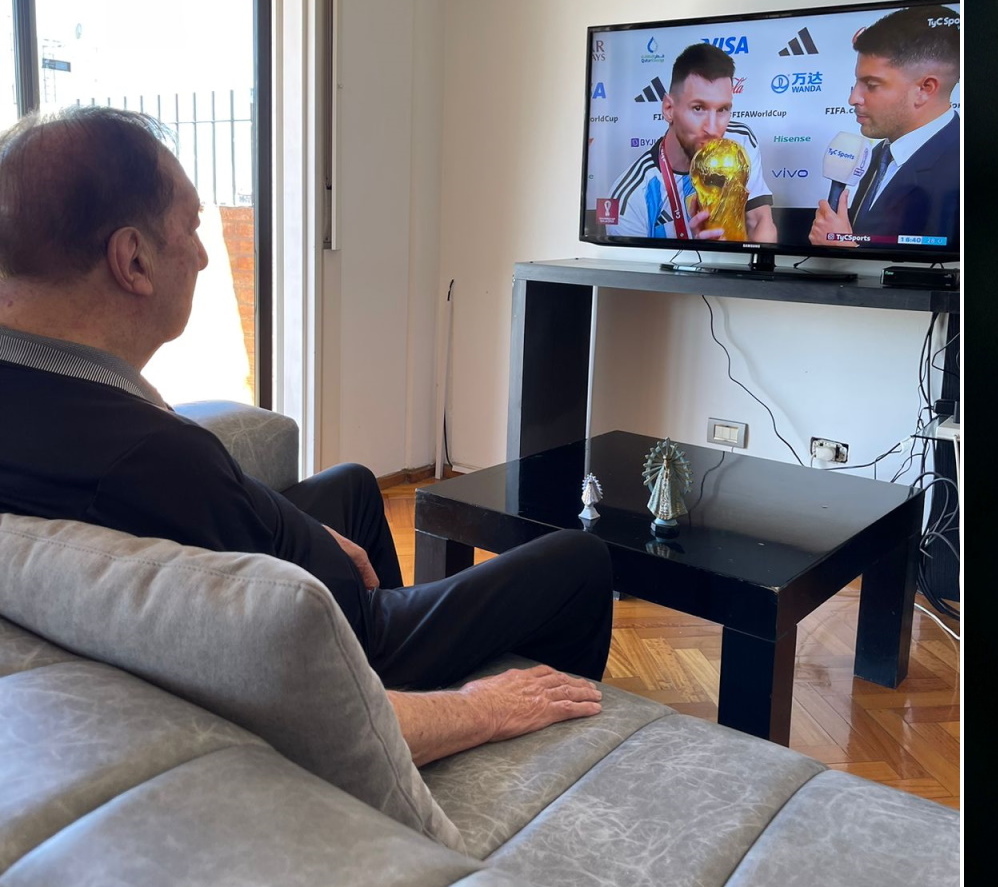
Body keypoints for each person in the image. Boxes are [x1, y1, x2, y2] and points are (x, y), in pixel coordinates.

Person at [0, 106, 614, 767]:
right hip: (342, 641)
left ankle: (402, 615)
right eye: (192, 227)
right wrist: (478, 707)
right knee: (580, 561)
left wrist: (309, 535)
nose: (205, 254)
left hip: (289, 575)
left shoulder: (47, 396)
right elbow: (304, 688)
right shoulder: (150, 455)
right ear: (133, 259)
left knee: (351, 483)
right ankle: (543, 738)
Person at [808, 5, 959, 247]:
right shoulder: (877, 154)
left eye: (872, 84)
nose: (853, 98)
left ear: (924, 89)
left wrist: (846, 250)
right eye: (857, 82)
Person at [608, 43, 776, 243]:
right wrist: (700, 251)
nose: (713, 129)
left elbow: (760, 222)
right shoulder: (630, 198)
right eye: (698, 108)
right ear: (669, 108)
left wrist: (739, 260)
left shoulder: (740, 141)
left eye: (722, 109)